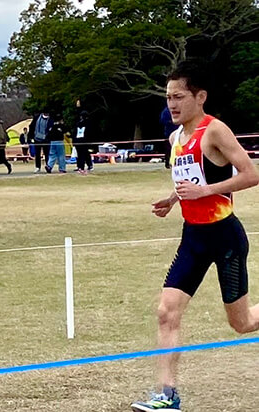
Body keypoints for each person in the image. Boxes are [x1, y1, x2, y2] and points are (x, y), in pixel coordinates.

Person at [131, 60, 259, 412]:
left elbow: (251, 175)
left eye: (179, 96)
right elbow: (190, 180)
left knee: (242, 322)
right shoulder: (175, 137)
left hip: (225, 236)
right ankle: (167, 396)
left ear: (200, 97)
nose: (171, 104)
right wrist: (173, 199)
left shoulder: (215, 131)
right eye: (168, 97)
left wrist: (205, 192)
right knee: (166, 312)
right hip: (193, 238)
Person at [72, 110, 93, 175]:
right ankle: (82, 166)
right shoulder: (83, 123)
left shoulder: (83, 123)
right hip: (81, 141)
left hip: (81, 141)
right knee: (82, 154)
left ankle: (81, 166)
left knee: (82, 154)